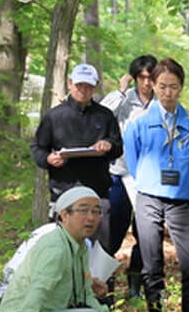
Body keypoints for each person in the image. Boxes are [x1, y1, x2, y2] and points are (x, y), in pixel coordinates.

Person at [0, 186, 116, 312]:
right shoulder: (55, 246)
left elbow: (85, 292)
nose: (91, 217)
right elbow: (39, 287)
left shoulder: (78, 246)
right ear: (64, 215)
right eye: (83, 210)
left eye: (96, 211)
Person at [123, 58, 189, 312]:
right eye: (162, 86)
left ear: (181, 87)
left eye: (173, 86)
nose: (167, 92)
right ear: (154, 86)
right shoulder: (139, 123)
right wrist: (148, 179)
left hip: (180, 200)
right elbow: (132, 162)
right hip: (148, 198)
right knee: (151, 264)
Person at [31, 63, 122, 249]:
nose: (83, 90)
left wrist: (108, 145)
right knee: (60, 245)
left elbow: (118, 147)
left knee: (99, 246)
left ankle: (100, 277)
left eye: (88, 86)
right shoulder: (54, 116)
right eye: (79, 85)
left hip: (98, 191)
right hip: (63, 189)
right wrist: (49, 159)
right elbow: (37, 148)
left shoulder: (105, 116)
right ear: (70, 83)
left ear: (94, 87)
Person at [100, 55, 158, 298]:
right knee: (112, 230)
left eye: (150, 78)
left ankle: (136, 281)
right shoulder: (125, 100)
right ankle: (104, 282)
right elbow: (101, 114)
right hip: (119, 173)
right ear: (134, 78)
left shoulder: (161, 103)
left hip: (150, 175)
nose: (146, 83)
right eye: (142, 78)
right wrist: (121, 91)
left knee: (147, 231)